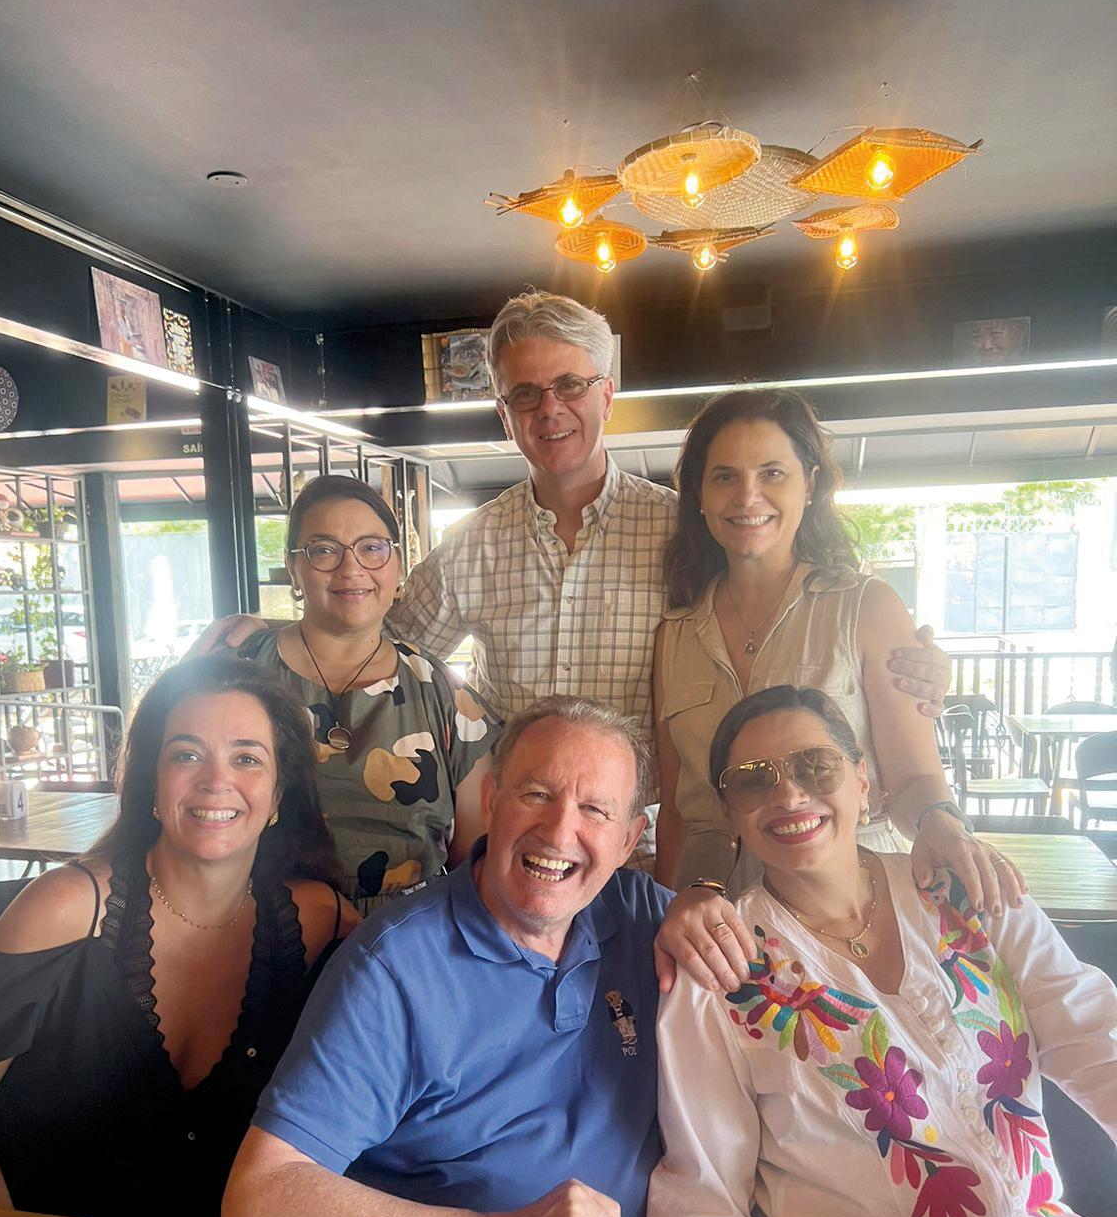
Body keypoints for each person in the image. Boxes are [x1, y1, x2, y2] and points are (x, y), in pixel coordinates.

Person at [192, 292, 949, 759]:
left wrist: (903, 664)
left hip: (656, 836)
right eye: (525, 394)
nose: (549, 409)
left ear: (606, 394)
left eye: (569, 385)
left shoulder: (681, 530)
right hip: (513, 842)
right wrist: (265, 638)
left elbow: (778, 618)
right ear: (504, 414)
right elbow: (378, 640)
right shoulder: (476, 542)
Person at [222, 695, 758, 1217]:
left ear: (630, 840)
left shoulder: (644, 919)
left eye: (595, 810)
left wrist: (701, 894)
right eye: (536, 795)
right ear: (489, 801)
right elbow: (264, 1195)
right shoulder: (397, 966)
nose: (559, 831)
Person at [643, 685, 1117, 1217]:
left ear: (863, 780)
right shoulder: (721, 968)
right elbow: (703, 1197)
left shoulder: (971, 897)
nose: (788, 793)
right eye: (753, 781)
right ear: (731, 810)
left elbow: (1096, 1036)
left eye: (816, 766)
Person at [0, 657, 357, 1217]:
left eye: (246, 758)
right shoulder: (66, 910)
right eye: (186, 754)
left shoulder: (320, 920)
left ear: (279, 795)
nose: (215, 781)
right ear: (152, 781)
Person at [653, 388, 1025, 917]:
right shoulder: (675, 636)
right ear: (699, 495)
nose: (747, 496)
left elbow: (915, 778)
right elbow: (682, 812)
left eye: (772, 473)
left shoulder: (868, 608)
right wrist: (667, 912)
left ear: (809, 484)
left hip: (862, 900)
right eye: (725, 476)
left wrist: (942, 821)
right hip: (728, 918)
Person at [238, 474, 501, 912]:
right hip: (260, 936)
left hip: (403, 945)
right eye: (323, 550)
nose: (350, 568)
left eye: (372, 547)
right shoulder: (239, 676)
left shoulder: (444, 696)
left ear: (398, 564)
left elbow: (474, 863)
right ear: (293, 568)